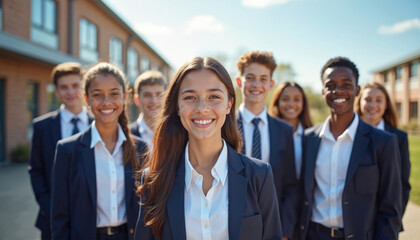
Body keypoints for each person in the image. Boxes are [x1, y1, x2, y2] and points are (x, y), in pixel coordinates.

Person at [135, 57, 282, 239]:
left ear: (229, 104)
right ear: (177, 107)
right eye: (190, 97)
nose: (202, 108)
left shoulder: (259, 175)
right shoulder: (154, 180)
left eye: (214, 97)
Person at [299, 57, 402, 240]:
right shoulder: (308, 139)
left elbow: (390, 208)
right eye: (331, 85)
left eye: (346, 85)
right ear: (323, 91)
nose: (338, 90)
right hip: (313, 234)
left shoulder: (383, 142)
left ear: (357, 90)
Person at [51, 62, 147, 240]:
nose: (106, 102)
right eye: (98, 95)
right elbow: (59, 216)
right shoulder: (67, 150)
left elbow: (148, 209)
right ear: (86, 99)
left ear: (124, 97)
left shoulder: (140, 149)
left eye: (114, 94)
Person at [236, 51, 298, 239]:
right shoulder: (223, 125)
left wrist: (284, 231)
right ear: (239, 82)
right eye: (250, 78)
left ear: (271, 84)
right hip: (231, 224)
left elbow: (290, 186)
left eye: (263, 79)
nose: (256, 85)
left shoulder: (284, 131)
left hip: (271, 226)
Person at [28, 62, 92, 240]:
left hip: (94, 218)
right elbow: (36, 170)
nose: (70, 92)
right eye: (64, 87)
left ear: (84, 87)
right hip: (53, 219)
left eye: (75, 86)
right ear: (56, 91)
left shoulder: (99, 124)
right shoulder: (42, 127)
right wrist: (49, 206)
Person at [355, 82, 410, 229]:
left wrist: (393, 220)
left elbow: (403, 184)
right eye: (367, 99)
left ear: (386, 105)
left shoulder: (399, 138)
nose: (373, 105)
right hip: (353, 221)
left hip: (386, 222)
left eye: (379, 100)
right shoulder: (348, 135)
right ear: (359, 102)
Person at [268, 82, 313, 179]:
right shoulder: (266, 133)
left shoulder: (313, 137)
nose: (291, 104)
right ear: (277, 102)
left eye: (297, 99)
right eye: (285, 99)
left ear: (303, 104)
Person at [129, 70, 167, 146]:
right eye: (147, 95)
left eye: (159, 95)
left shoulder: (177, 133)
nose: (154, 101)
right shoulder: (126, 135)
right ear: (137, 100)